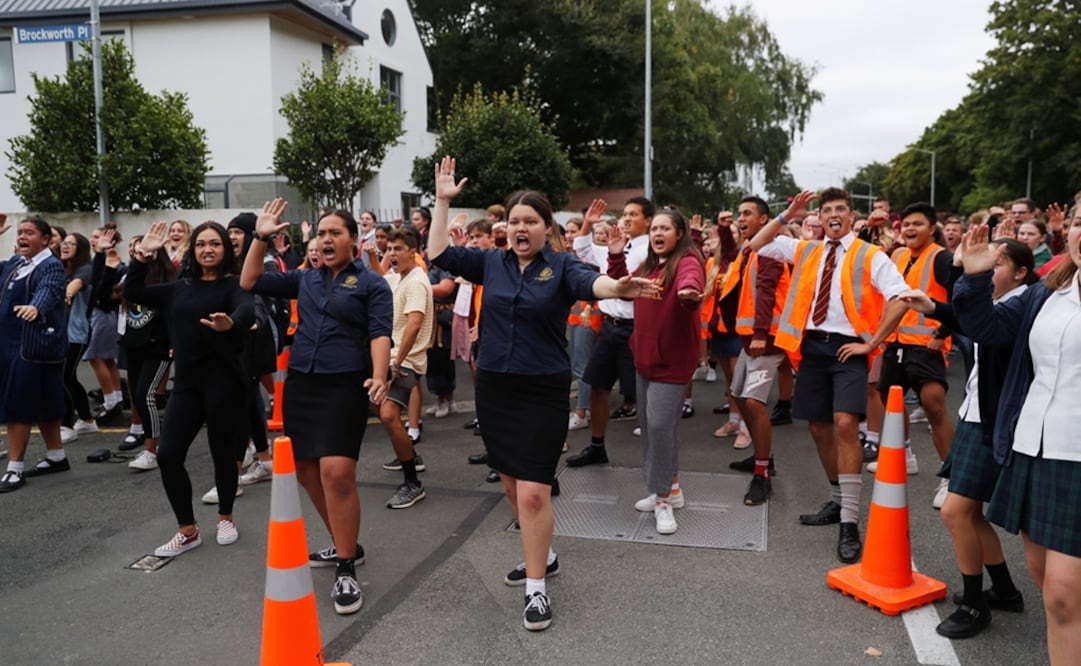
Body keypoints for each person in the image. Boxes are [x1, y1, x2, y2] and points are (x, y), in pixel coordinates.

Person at [428, 157, 657, 632]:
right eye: (513, 221)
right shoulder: (491, 262)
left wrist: (619, 286)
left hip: (542, 389)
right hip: (494, 386)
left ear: (546, 227)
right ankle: (544, 556)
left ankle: (536, 589)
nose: (520, 228)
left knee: (533, 491)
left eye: (530, 221)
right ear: (504, 228)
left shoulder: (561, 266)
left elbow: (592, 284)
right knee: (511, 484)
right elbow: (437, 255)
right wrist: (443, 201)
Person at [242, 202, 392, 617]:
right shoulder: (304, 279)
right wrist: (260, 236)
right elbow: (250, 280)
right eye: (320, 233)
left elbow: (380, 333)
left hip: (346, 381)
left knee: (337, 472)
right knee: (308, 471)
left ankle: (346, 568)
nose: (325, 239)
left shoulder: (372, 285)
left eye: (335, 233)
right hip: (304, 383)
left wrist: (380, 375)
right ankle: (347, 543)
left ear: (352, 240)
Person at [748, 187, 910, 564]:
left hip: (848, 349)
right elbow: (756, 244)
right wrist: (789, 213)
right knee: (818, 428)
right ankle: (838, 502)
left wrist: (871, 345)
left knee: (844, 424)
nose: (833, 215)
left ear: (852, 217)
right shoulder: (805, 249)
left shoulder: (871, 255)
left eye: (840, 209)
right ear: (819, 218)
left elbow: (901, 298)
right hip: (812, 349)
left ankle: (850, 523)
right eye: (827, 211)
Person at [952, 218, 1081, 663]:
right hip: (1032, 451)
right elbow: (985, 329)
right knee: (1050, 588)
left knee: (1065, 595)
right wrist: (973, 278)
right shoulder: (1044, 294)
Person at [901, 237, 1035, 638]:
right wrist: (935, 308)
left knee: (955, 511)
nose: (985, 271)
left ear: (1022, 272)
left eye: (994, 265)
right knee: (970, 513)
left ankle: (976, 605)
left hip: (991, 421)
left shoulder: (1026, 303)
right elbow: (977, 322)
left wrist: (959, 280)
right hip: (975, 415)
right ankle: (1006, 591)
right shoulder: (1006, 301)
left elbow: (988, 328)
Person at [124, 221, 255, 557]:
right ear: (193, 251)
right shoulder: (178, 287)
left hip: (225, 382)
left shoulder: (233, 285)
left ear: (225, 249)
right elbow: (133, 292)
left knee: (222, 454)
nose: (207, 249)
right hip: (187, 385)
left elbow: (245, 307)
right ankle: (188, 530)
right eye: (201, 245)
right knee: (168, 455)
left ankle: (226, 516)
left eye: (214, 243)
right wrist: (142, 257)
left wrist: (232, 324)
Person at [613, 208, 704, 534]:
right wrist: (613, 255)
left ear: (679, 234)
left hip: (672, 362)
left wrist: (690, 296)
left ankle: (663, 499)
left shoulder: (687, 262)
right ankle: (671, 490)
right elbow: (622, 285)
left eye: (665, 228)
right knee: (653, 430)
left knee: (661, 429)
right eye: (654, 229)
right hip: (645, 359)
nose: (657, 234)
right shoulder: (649, 264)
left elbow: (691, 283)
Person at [872, 202, 961, 509]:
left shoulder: (942, 258)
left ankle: (951, 478)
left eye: (918, 224)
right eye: (906, 224)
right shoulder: (896, 255)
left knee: (933, 404)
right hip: (896, 344)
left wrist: (942, 334)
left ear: (932, 228)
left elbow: (958, 299)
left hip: (927, 346)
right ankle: (905, 455)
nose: (910, 229)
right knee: (890, 400)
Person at [565, 196, 654, 468]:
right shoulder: (616, 245)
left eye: (633, 214)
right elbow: (582, 249)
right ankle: (597, 447)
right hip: (609, 326)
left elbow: (626, 290)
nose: (626, 219)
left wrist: (615, 253)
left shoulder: (650, 249)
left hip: (635, 328)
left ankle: (655, 455)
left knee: (642, 392)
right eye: (625, 214)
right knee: (598, 386)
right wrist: (588, 224)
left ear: (648, 221)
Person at [717, 196, 790, 505]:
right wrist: (722, 233)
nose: (740, 217)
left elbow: (768, 291)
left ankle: (762, 474)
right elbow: (732, 259)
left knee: (754, 402)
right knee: (738, 395)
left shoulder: (771, 249)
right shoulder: (750, 249)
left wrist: (760, 333)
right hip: (750, 340)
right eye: (739, 213)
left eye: (747, 213)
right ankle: (763, 455)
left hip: (766, 340)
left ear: (764, 220)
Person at [0, 217, 70, 493]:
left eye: (29, 232)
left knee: (18, 405)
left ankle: (14, 468)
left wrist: (35, 308)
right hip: (11, 344)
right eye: (19, 232)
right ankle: (56, 456)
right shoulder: (17, 263)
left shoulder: (50, 264)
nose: (22, 236)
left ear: (45, 239)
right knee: (46, 401)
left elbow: (49, 290)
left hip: (32, 346)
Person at [378, 228, 434, 509]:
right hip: (389, 356)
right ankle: (409, 455)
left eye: (397, 249)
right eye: (389, 248)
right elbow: (380, 279)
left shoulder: (416, 282)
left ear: (412, 252)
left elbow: (414, 323)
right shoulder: (398, 277)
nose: (392, 254)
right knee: (384, 414)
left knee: (388, 415)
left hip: (406, 360)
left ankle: (412, 482)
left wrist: (397, 362)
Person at [117, 235, 177, 472]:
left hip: (158, 347)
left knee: (145, 394)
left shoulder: (169, 281)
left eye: (143, 250)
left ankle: (153, 449)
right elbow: (124, 292)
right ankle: (151, 442)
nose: (137, 253)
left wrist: (174, 341)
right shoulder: (134, 278)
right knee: (137, 396)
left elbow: (175, 313)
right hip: (134, 345)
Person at [59, 232, 99, 444]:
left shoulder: (85, 269)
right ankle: (86, 420)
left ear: (80, 248)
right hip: (60, 332)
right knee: (69, 377)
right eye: (64, 243)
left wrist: (66, 292)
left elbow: (75, 286)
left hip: (76, 333)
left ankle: (66, 425)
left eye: (71, 244)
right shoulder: (61, 267)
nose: (65, 246)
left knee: (63, 377)